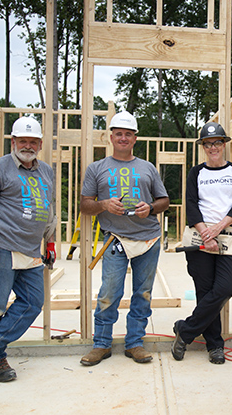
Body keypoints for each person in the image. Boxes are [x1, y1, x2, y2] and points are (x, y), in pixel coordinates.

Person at [0, 116, 57, 383]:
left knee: (32, 302)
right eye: (22, 140)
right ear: (13, 141)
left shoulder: (46, 171)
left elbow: (48, 210)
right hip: (2, 246)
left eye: (33, 141)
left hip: (31, 250)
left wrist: (49, 242)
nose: (27, 145)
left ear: (39, 144)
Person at [79, 111, 170, 366]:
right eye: (118, 133)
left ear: (134, 138)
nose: (123, 138)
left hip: (147, 239)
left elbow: (164, 201)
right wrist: (104, 205)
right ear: (110, 137)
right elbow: (85, 205)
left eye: (128, 134)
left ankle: (135, 343)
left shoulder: (147, 168)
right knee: (109, 292)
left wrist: (150, 208)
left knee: (143, 293)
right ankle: (101, 344)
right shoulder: (97, 168)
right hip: (115, 239)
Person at [171, 122, 232, 365]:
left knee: (225, 288)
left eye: (217, 142)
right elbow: (191, 205)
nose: (213, 147)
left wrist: (217, 229)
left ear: (224, 144)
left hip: (228, 236)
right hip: (199, 238)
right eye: (208, 143)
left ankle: (185, 330)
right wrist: (207, 234)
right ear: (203, 147)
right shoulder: (196, 173)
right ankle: (215, 345)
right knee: (205, 293)